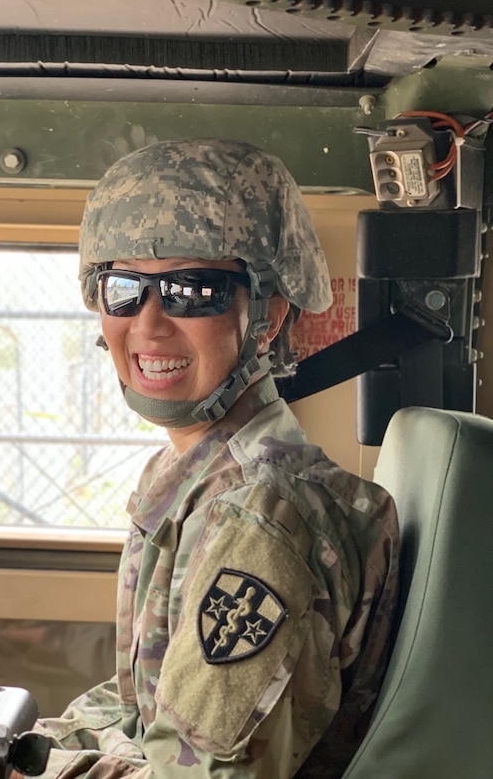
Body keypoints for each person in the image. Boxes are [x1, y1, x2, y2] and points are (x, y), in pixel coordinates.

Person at [21, 139, 399, 778]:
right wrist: (14, 749)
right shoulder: (192, 479)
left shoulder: (262, 520)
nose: (149, 322)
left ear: (270, 316)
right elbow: (143, 706)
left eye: (192, 290)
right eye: (123, 288)